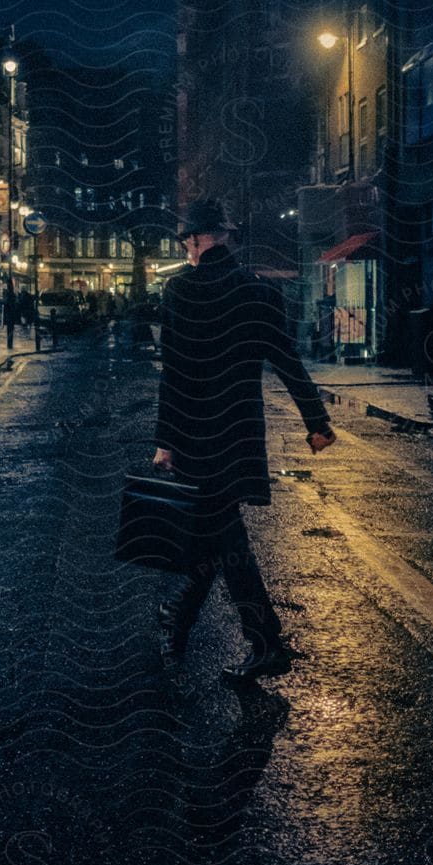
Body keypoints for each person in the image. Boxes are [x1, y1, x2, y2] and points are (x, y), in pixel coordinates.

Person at [153, 196, 334, 684]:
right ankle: (182, 622)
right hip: (240, 436)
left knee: (224, 540)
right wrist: (316, 421)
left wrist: (166, 440)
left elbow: (175, 375)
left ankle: (265, 640)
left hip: (195, 436)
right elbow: (288, 361)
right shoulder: (258, 293)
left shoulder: (180, 291)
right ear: (225, 236)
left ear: (193, 239)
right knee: (217, 534)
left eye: (186, 241)